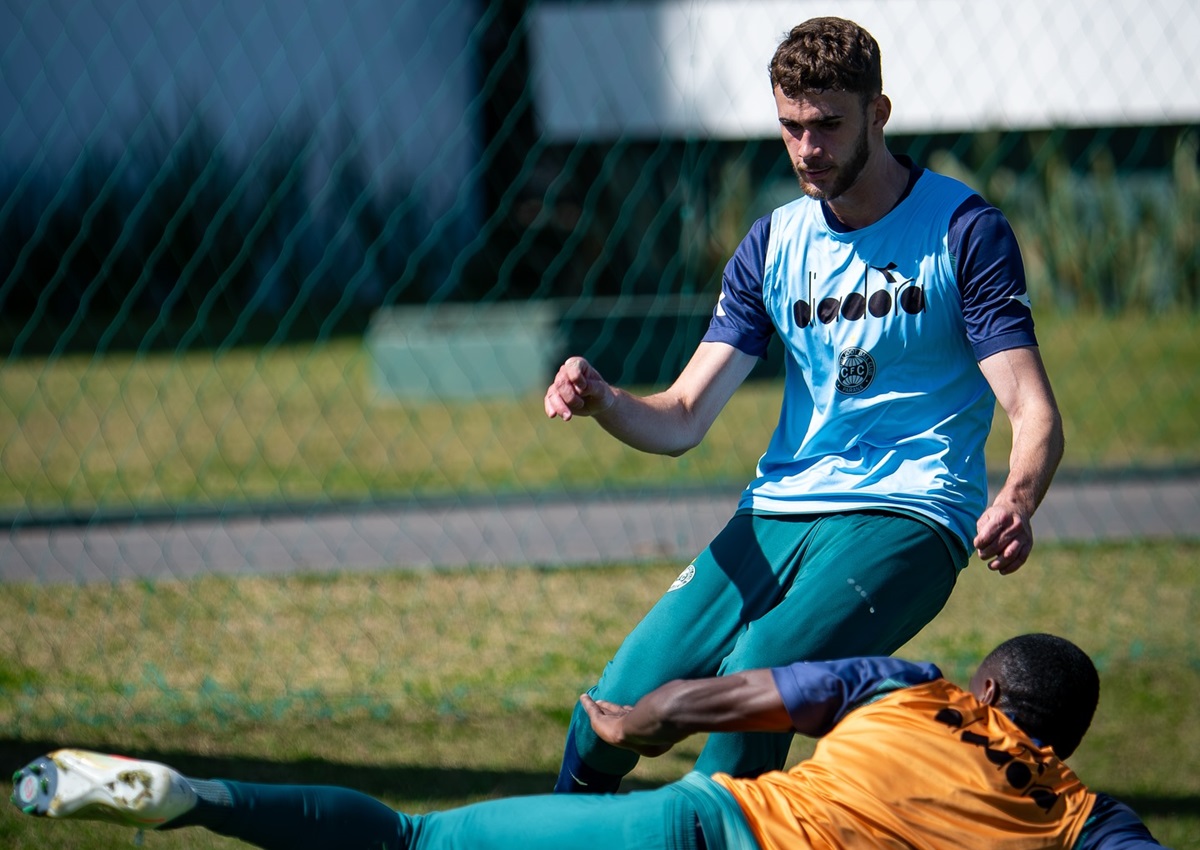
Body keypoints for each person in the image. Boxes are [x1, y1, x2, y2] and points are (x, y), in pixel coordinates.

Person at [542, 16, 1065, 792]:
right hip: (779, 508)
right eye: (791, 127)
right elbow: (682, 416)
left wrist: (1017, 500)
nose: (807, 149)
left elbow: (1032, 409)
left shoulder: (963, 230)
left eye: (827, 125)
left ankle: (716, 829)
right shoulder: (773, 244)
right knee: (612, 702)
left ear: (878, 114)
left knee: (756, 678)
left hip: (911, 512)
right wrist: (605, 398)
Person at [11, 634, 1165, 848]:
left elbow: (756, 691)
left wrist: (641, 718)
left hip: (699, 824)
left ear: (987, 686)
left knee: (411, 840)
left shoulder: (913, 687)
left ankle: (191, 797)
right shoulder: (1083, 817)